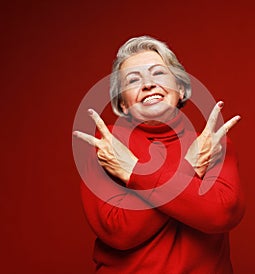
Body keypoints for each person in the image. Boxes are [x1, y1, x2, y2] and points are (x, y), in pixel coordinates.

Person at [73, 36, 245, 273]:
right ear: (122, 103)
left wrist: (135, 173)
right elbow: (120, 232)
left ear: (181, 88)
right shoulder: (108, 146)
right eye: (133, 80)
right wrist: (190, 166)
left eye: (159, 74)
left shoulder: (211, 143)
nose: (148, 85)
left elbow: (221, 215)